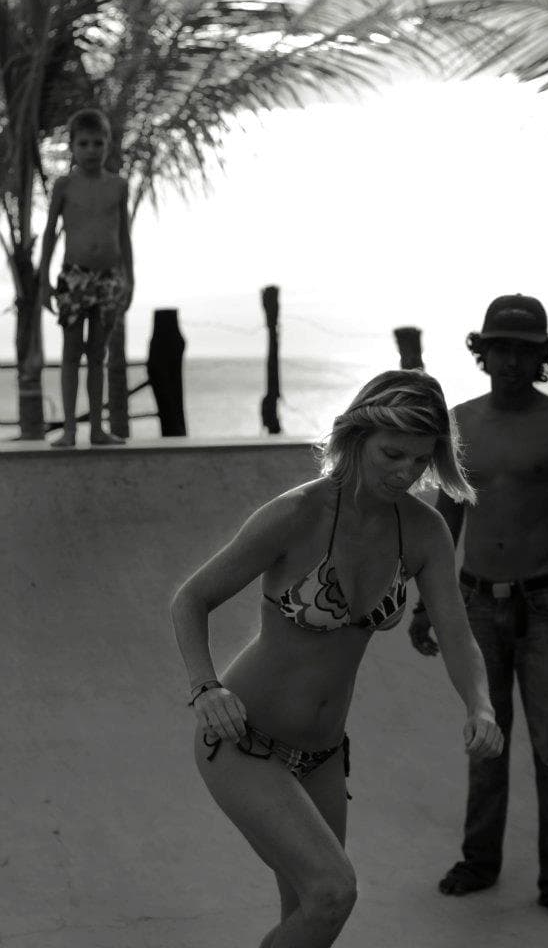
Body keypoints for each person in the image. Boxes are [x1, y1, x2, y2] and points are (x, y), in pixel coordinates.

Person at [171, 369, 504, 948]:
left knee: (310, 914)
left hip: (323, 755)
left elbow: (456, 634)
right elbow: (191, 599)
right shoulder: (295, 514)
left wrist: (481, 706)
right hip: (243, 739)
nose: (405, 473)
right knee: (334, 891)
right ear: (356, 437)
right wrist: (206, 688)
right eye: (392, 454)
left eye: (421, 461)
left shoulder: (424, 531)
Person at [409, 294, 548, 917]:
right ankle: (479, 862)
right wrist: (425, 605)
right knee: (485, 739)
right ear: (483, 351)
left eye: (525, 350)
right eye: (501, 348)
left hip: (545, 604)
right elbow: (443, 519)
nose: (512, 361)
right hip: (474, 601)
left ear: (543, 355)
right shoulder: (461, 422)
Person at [39, 107, 134, 447]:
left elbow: (123, 236)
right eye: (84, 144)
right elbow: (51, 233)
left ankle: (96, 428)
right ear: (73, 148)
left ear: (108, 145)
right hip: (74, 277)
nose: (92, 150)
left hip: (108, 277)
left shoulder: (118, 187)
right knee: (70, 352)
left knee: (98, 355)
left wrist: (130, 279)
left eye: (98, 143)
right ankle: (69, 429)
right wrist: (43, 280)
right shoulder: (64, 186)